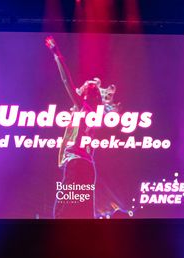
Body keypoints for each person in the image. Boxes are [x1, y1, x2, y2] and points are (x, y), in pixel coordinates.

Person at [45, 36, 127, 219]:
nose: (80, 87)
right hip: (87, 167)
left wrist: (57, 55)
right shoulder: (93, 113)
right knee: (81, 214)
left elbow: (66, 81)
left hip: (77, 166)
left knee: (63, 214)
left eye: (84, 86)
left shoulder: (83, 107)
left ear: (86, 93)